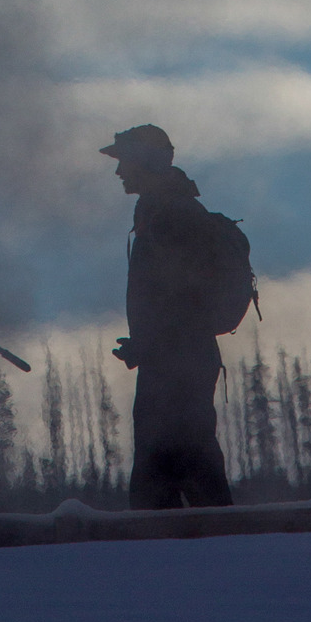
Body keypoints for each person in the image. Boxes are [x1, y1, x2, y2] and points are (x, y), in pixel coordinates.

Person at [102, 122, 239, 510]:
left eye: (124, 162)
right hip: (175, 359)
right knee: (181, 466)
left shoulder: (170, 215)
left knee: (178, 468)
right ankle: (198, 551)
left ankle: (197, 551)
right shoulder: (165, 210)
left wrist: (153, 343)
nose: (118, 172)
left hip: (177, 365)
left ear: (144, 162)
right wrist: (146, 343)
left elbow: (181, 296)